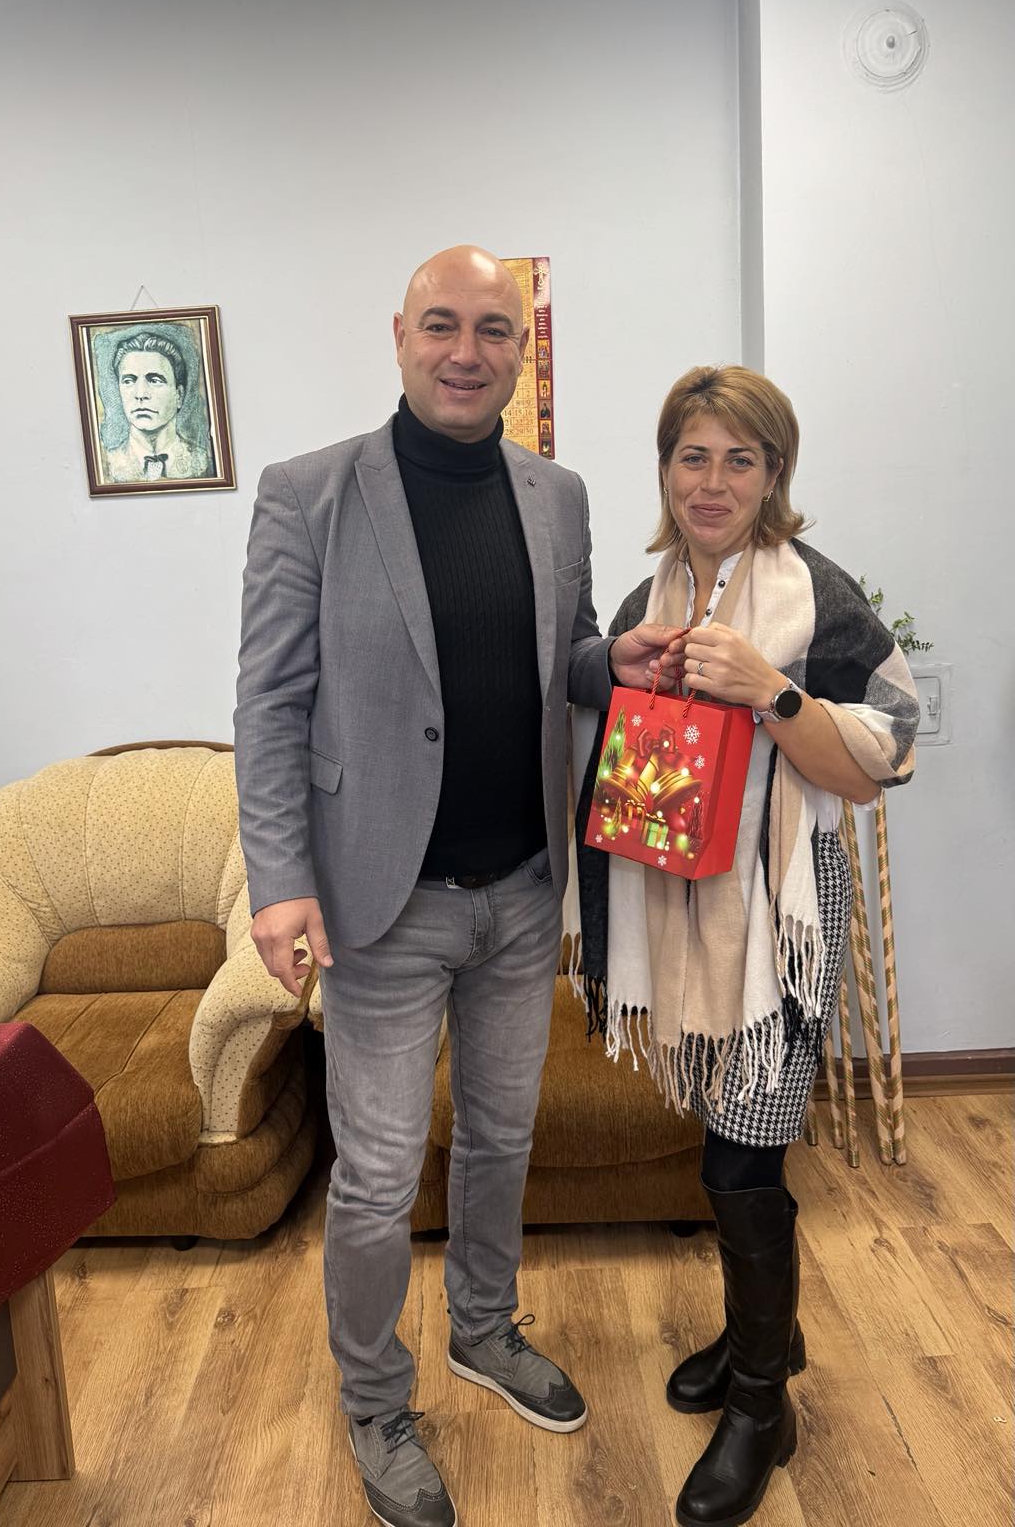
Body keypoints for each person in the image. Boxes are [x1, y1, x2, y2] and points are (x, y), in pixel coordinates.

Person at [234, 245, 684, 1527]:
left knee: (502, 1137)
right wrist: (279, 880)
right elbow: (268, 702)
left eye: (494, 329)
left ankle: (485, 1328)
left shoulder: (558, 493)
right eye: (443, 324)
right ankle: (375, 1398)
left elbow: (563, 653)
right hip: (381, 902)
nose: (466, 351)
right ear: (400, 334)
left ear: (521, 350)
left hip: (524, 888)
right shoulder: (308, 494)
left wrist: (615, 659)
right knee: (377, 1177)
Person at [571, 365, 919, 1527]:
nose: (713, 481)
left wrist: (772, 691)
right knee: (727, 1144)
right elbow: (603, 734)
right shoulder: (649, 598)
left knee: (739, 1164)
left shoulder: (818, 594)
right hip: (677, 910)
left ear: (775, 474)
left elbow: (884, 757)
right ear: (665, 468)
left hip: (781, 918)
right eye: (693, 456)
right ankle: (755, 1336)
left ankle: (764, 1403)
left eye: (741, 459)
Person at [102, 330, 213, 482]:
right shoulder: (107, 465)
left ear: (179, 395)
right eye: (129, 381)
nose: (141, 394)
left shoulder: (204, 464)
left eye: (155, 380)